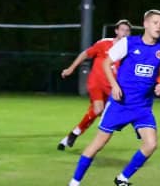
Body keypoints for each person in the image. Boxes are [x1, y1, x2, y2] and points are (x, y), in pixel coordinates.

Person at [65, 9, 160, 186]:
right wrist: (114, 85)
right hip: (120, 104)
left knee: (151, 144)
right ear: (146, 24)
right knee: (98, 144)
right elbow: (107, 63)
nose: (158, 26)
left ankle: (122, 178)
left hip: (142, 107)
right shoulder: (129, 43)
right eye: (155, 22)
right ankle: (73, 183)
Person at [57, 19, 133, 150]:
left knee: (107, 113)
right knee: (98, 110)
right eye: (122, 30)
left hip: (112, 87)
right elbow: (85, 54)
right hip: (96, 82)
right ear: (116, 31)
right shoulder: (104, 43)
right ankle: (89, 144)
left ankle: (74, 134)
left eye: (127, 31)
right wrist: (71, 68)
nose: (124, 33)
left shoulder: (129, 50)